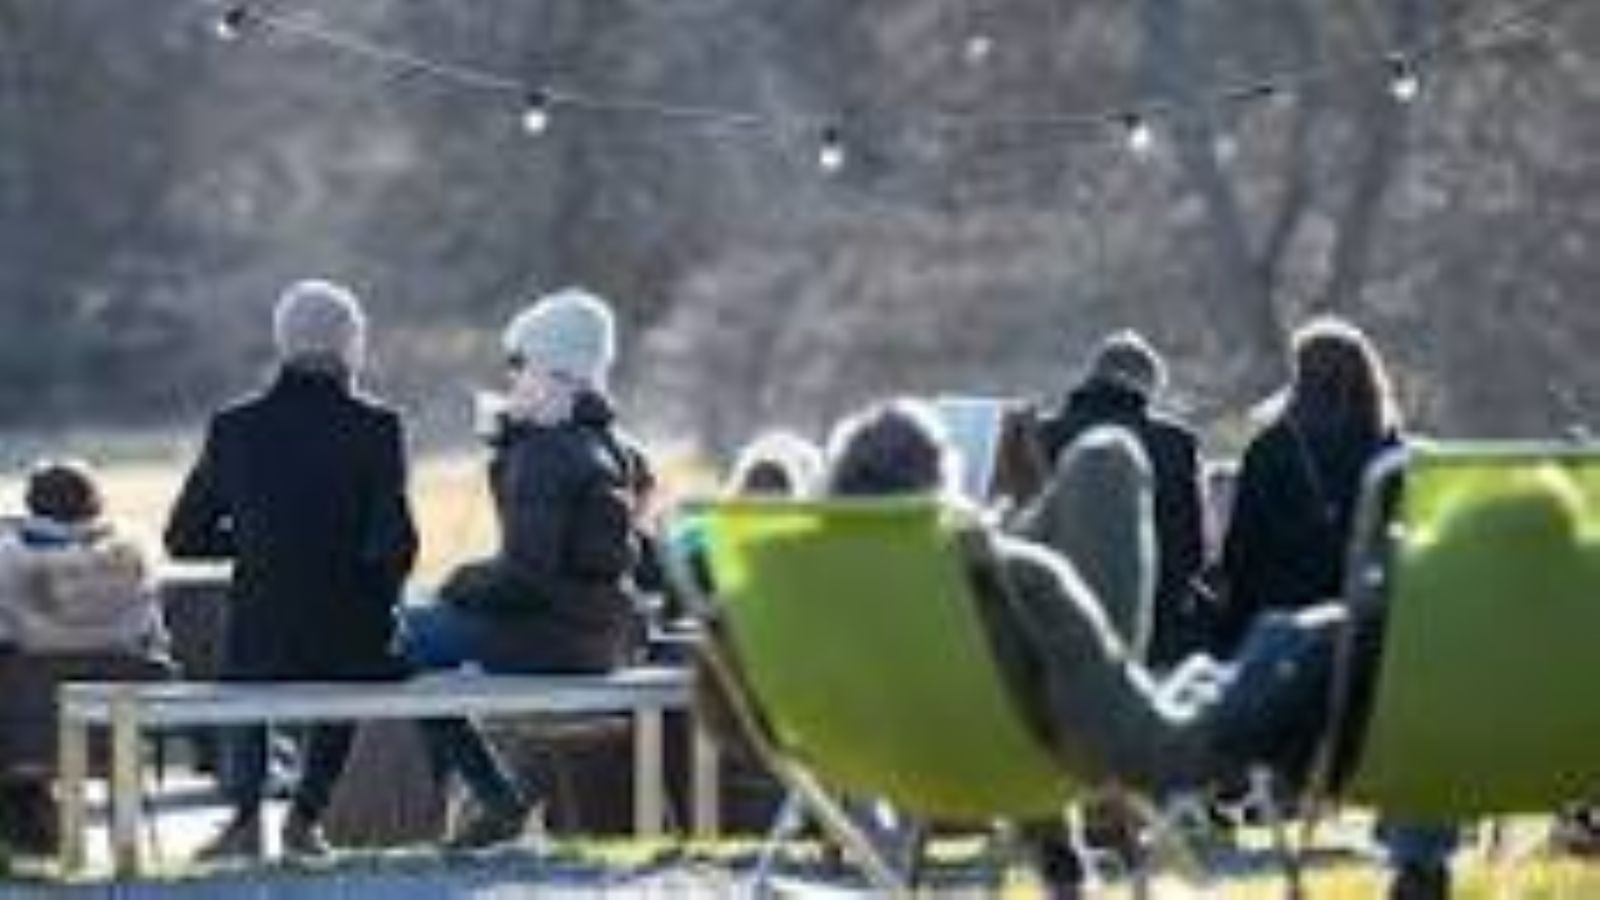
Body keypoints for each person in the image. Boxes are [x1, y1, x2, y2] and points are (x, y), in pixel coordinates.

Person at [821, 399, 1348, 897]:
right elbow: (1119, 726)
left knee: (1102, 465)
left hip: (898, 758)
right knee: (1286, 639)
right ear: (944, 482)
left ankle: (1055, 848)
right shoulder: (1019, 579)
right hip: (1110, 745)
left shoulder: (811, 590)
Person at [166, 279, 418, 860]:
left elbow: (184, 537)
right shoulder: (378, 427)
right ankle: (305, 818)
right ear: (352, 345)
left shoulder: (235, 427)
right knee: (357, 641)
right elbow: (396, 543)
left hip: (261, 641)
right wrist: (375, 597)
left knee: (246, 644)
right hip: (349, 640)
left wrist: (259, 546)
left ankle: (244, 818)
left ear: (282, 344)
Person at [398, 287, 651, 849]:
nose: (510, 377)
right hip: (594, 641)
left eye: (519, 363)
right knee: (417, 634)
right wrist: (511, 446)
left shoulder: (545, 453)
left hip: (541, 637)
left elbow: (524, 579)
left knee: (397, 639)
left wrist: (456, 585)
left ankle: (490, 799)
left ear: (554, 372)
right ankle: (489, 800)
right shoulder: (615, 447)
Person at [1219, 317, 1455, 900]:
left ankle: (1262, 794)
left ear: (1299, 380)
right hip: (1388, 669)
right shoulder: (1396, 456)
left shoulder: (1270, 451)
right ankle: (1416, 855)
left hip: (1293, 669)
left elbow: (1239, 562)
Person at [1037, 331, 1209, 667]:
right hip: (1152, 617)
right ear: (1148, 385)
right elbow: (1190, 544)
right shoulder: (1176, 443)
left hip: (1058, 612)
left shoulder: (1043, 435)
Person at [0, 459, 165, 656]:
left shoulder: (9, 556)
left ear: (30, 502)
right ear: (96, 503)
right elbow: (152, 632)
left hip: (32, 668)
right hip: (128, 666)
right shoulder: (136, 551)